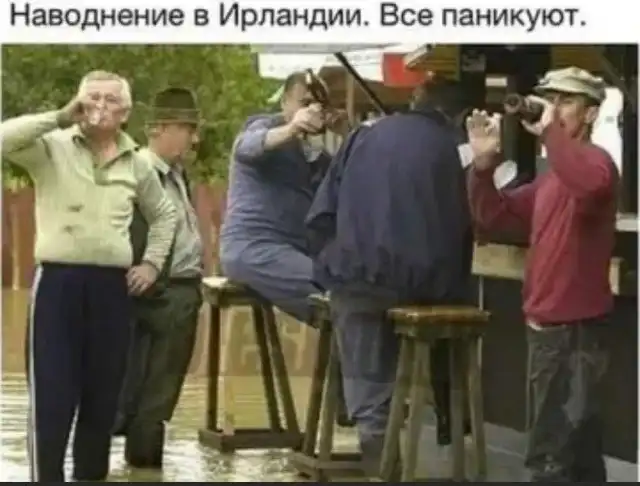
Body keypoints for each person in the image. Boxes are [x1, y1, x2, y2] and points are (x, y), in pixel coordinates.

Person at [1, 70, 177, 482]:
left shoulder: (137, 162)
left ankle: (91, 477)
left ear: (126, 113)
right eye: (92, 97)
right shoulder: (52, 146)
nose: (100, 105)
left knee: (102, 397)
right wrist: (60, 117)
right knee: (52, 395)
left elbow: (163, 214)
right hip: (58, 284)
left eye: (110, 99)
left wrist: (151, 263)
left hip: (111, 289)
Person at [305, 77, 474, 477]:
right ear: (460, 116)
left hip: (356, 278)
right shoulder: (449, 149)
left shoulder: (363, 136)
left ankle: (378, 454)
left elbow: (320, 215)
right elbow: (460, 229)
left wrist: (331, 262)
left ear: (415, 101)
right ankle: (450, 422)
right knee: (445, 326)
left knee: (367, 381)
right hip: (421, 284)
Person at [465, 66, 616, 482]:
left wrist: (550, 134)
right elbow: (494, 218)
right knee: (576, 452)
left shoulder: (597, 163)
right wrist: (482, 167)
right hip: (554, 329)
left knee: (551, 454)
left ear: (590, 114)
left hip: (573, 331)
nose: (554, 109)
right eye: (550, 100)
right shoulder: (551, 179)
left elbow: (589, 186)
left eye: (566, 101)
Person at [114, 88, 204, 469]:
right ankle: (143, 469)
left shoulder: (177, 174)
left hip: (178, 292)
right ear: (159, 129)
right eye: (186, 129)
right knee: (147, 397)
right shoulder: (140, 172)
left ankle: (141, 469)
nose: (194, 139)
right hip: (157, 295)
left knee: (156, 396)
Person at [219, 71, 346, 325]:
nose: (312, 110)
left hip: (295, 250)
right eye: (305, 102)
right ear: (285, 102)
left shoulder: (316, 153)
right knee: (335, 292)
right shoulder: (264, 127)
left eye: (319, 105)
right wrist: (293, 127)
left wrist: (347, 134)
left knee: (354, 287)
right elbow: (247, 147)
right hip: (254, 247)